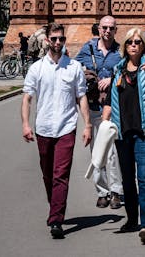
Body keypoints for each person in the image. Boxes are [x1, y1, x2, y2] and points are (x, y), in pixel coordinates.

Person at [21, 23, 91, 239]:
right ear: (47, 41)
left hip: (66, 128)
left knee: (61, 175)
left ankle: (56, 220)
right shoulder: (37, 69)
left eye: (61, 39)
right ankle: (55, 206)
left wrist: (87, 124)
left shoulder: (74, 68)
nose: (58, 42)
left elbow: (81, 97)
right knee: (48, 174)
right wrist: (25, 124)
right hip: (43, 127)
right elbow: (27, 97)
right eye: (54, 39)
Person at [102, 28, 145, 244]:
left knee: (144, 177)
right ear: (124, 46)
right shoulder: (117, 71)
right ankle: (132, 219)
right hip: (123, 133)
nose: (134, 45)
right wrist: (104, 126)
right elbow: (109, 100)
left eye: (137, 42)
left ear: (143, 46)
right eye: (130, 42)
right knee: (127, 179)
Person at [75, 15, 123, 209]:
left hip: (112, 106)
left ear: (115, 30)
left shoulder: (120, 52)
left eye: (111, 28)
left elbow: (128, 70)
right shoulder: (87, 49)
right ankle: (101, 191)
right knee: (96, 150)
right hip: (93, 105)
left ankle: (115, 191)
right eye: (104, 27)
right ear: (99, 29)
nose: (107, 31)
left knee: (110, 150)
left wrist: (113, 79)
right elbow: (74, 67)